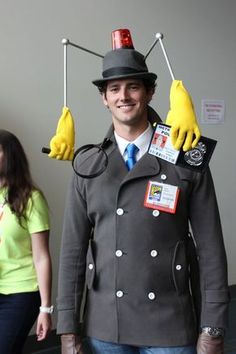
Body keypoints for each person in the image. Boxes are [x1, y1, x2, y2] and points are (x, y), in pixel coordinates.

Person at [57, 29, 229, 354]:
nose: (124, 96)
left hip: (170, 324)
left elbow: (210, 250)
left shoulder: (186, 156)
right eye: (114, 89)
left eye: (133, 86)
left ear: (149, 93)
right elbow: (72, 253)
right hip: (105, 325)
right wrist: (67, 331)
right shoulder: (89, 164)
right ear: (104, 98)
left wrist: (214, 327)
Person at [0, 130, 53, 354]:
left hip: (21, 292)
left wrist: (46, 308)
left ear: (10, 156)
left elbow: (41, 257)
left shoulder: (31, 198)